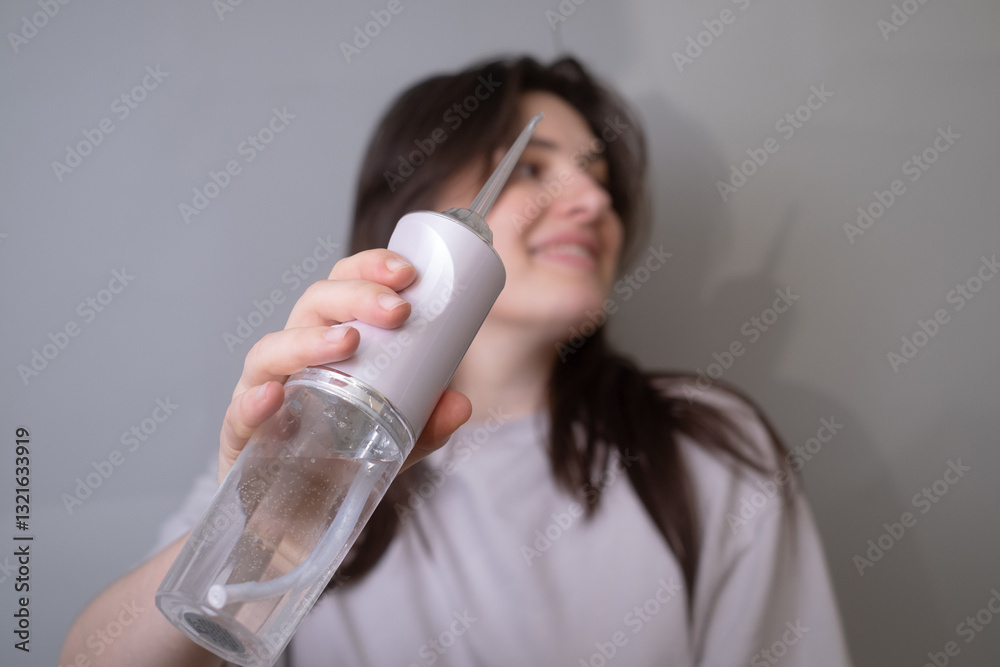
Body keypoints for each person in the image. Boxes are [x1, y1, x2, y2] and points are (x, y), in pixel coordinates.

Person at [61, 55, 852, 666]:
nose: (593, 203)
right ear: (416, 202)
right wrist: (259, 512)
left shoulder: (706, 446)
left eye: (602, 181)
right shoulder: (311, 431)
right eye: (534, 168)